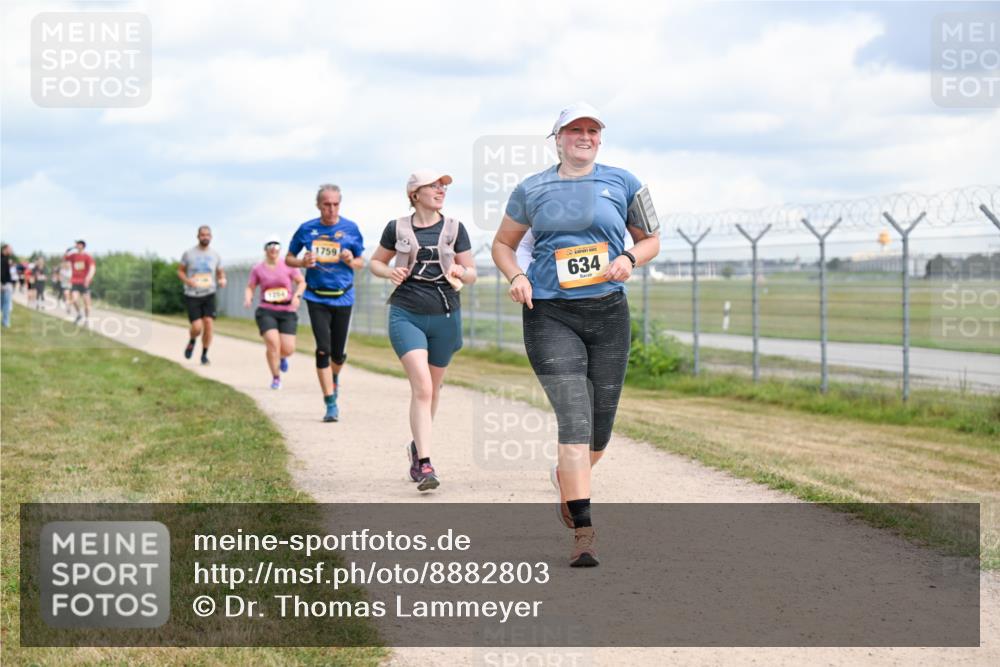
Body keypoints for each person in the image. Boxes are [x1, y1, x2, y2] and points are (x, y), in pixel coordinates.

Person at [491, 102, 660, 567]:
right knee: (574, 419)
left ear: (599, 138)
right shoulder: (531, 188)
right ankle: (584, 532)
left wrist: (629, 257)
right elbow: (504, 244)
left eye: (591, 129)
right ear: (558, 138)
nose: (583, 136)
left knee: (599, 431)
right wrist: (516, 277)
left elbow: (652, 239)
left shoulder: (625, 182)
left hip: (608, 315)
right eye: (573, 130)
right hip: (549, 314)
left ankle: (567, 477)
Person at [369, 170, 476, 492]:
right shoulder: (396, 227)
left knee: (434, 390)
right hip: (407, 314)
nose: (441, 190)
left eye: (443, 186)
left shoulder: (455, 228)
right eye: (434, 185)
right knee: (423, 388)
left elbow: (470, 273)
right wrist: (389, 271)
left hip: (445, 316)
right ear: (415, 193)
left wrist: (461, 270)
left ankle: (417, 446)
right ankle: (425, 464)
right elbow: (375, 262)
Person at [286, 184, 365, 422]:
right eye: (326, 204)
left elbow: (362, 261)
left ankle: (334, 376)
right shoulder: (307, 229)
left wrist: (352, 260)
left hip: (343, 296)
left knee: (338, 355)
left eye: (335, 204)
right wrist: (302, 262)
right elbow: (288, 258)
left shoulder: (351, 229)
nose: (331, 209)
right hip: (315, 296)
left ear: (340, 204)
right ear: (318, 205)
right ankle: (330, 402)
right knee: (323, 349)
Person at [244, 235, 305, 389]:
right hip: (266, 310)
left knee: (288, 348)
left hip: (287, 310)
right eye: (270, 246)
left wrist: (297, 296)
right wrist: (248, 298)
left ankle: (282, 357)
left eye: (276, 246)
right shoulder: (258, 268)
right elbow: (250, 286)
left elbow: (301, 282)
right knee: (272, 343)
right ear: (265, 249)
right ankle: (276, 377)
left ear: (280, 249)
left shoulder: (288, 265)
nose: (273, 249)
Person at [178, 226, 226, 365]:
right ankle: (192, 340)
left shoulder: (215, 255)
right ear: (198, 236)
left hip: (209, 293)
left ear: (211, 237)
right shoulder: (188, 254)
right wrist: (188, 280)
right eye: (202, 235)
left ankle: (204, 355)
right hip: (192, 294)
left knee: (209, 324)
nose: (205, 237)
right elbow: (180, 271)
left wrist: (222, 279)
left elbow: (220, 272)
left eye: (208, 235)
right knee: (197, 327)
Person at [66, 240, 96, 325]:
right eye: (76, 244)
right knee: (74, 300)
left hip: (84, 282)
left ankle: (87, 319)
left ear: (82, 246)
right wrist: (70, 248)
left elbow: (92, 268)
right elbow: (65, 257)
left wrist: (88, 278)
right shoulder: (73, 256)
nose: (76, 245)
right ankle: (79, 314)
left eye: (78, 244)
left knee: (86, 301)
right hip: (75, 281)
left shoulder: (87, 257)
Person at [1, 244, 14, 328]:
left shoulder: (5, 259)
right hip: (5, 284)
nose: (11, 251)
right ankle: (6, 322)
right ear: (5, 249)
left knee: (3, 304)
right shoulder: (4, 259)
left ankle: (5, 322)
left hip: (5, 284)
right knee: (6, 304)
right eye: (10, 249)